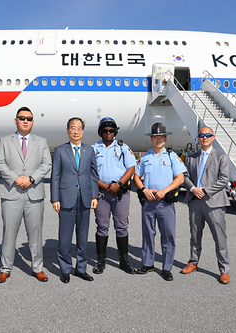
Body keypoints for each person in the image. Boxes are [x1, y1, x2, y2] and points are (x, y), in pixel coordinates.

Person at [0, 106, 52, 283]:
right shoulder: (4, 140)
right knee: (9, 233)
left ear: (32, 122)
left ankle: (37, 268)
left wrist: (31, 179)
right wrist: (16, 178)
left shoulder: (41, 141)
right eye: (22, 117)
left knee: (35, 234)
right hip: (11, 193)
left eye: (28, 118)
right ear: (15, 120)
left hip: (34, 194)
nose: (25, 120)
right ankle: (5, 269)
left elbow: (46, 164)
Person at [133, 122, 186, 281]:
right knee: (148, 234)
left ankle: (166, 268)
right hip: (148, 202)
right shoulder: (145, 157)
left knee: (168, 236)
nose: (158, 140)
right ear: (151, 138)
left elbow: (180, 178)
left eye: (161, 137)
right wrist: (144, 189)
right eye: (155, 137)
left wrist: (164, 191)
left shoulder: (171, 157)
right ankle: (148, 264)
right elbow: (136, 176)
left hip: (165, 203)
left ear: (165, 138)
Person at [51, 117, 99, 283]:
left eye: (79, 128)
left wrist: (94, 195)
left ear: (83, 131)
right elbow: (55, 176)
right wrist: (55, 198)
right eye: (73, 128)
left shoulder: (89, 150)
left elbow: (94, 174)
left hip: (85, 198)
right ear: (67, 130)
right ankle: (65, 269)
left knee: (82, 236)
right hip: (66, 198)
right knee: (65, 237)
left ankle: (80, 268)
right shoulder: (60, 150)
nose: (76, 131)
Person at [181, 126, 231, 284]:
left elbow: (224, 179)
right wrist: (193, 189)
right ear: (198, 137)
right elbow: (184, 176)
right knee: (195, 235)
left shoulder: (221, 157)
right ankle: (193, 262)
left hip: (214, 202)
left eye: (208, 135)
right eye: (202, 135)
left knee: (219, 237)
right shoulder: (191, 157)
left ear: (213, 137)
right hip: (195, 201)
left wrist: (205, 190)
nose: (205, 137)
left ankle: (224, 270)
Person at [91, 117, 136, 274]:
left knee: (121, 226)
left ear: (115, 132)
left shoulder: (123, 147)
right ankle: (100, 261)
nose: (108, 133)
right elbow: (90, 171)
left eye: (111, 130)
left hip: (120, 193)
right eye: (105, 130)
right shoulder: (93, 148)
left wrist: (119, 184)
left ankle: (124, 260)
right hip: (102, 193)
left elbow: (131, 167)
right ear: (100, 132)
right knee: (102, 226)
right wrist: (104, 186)